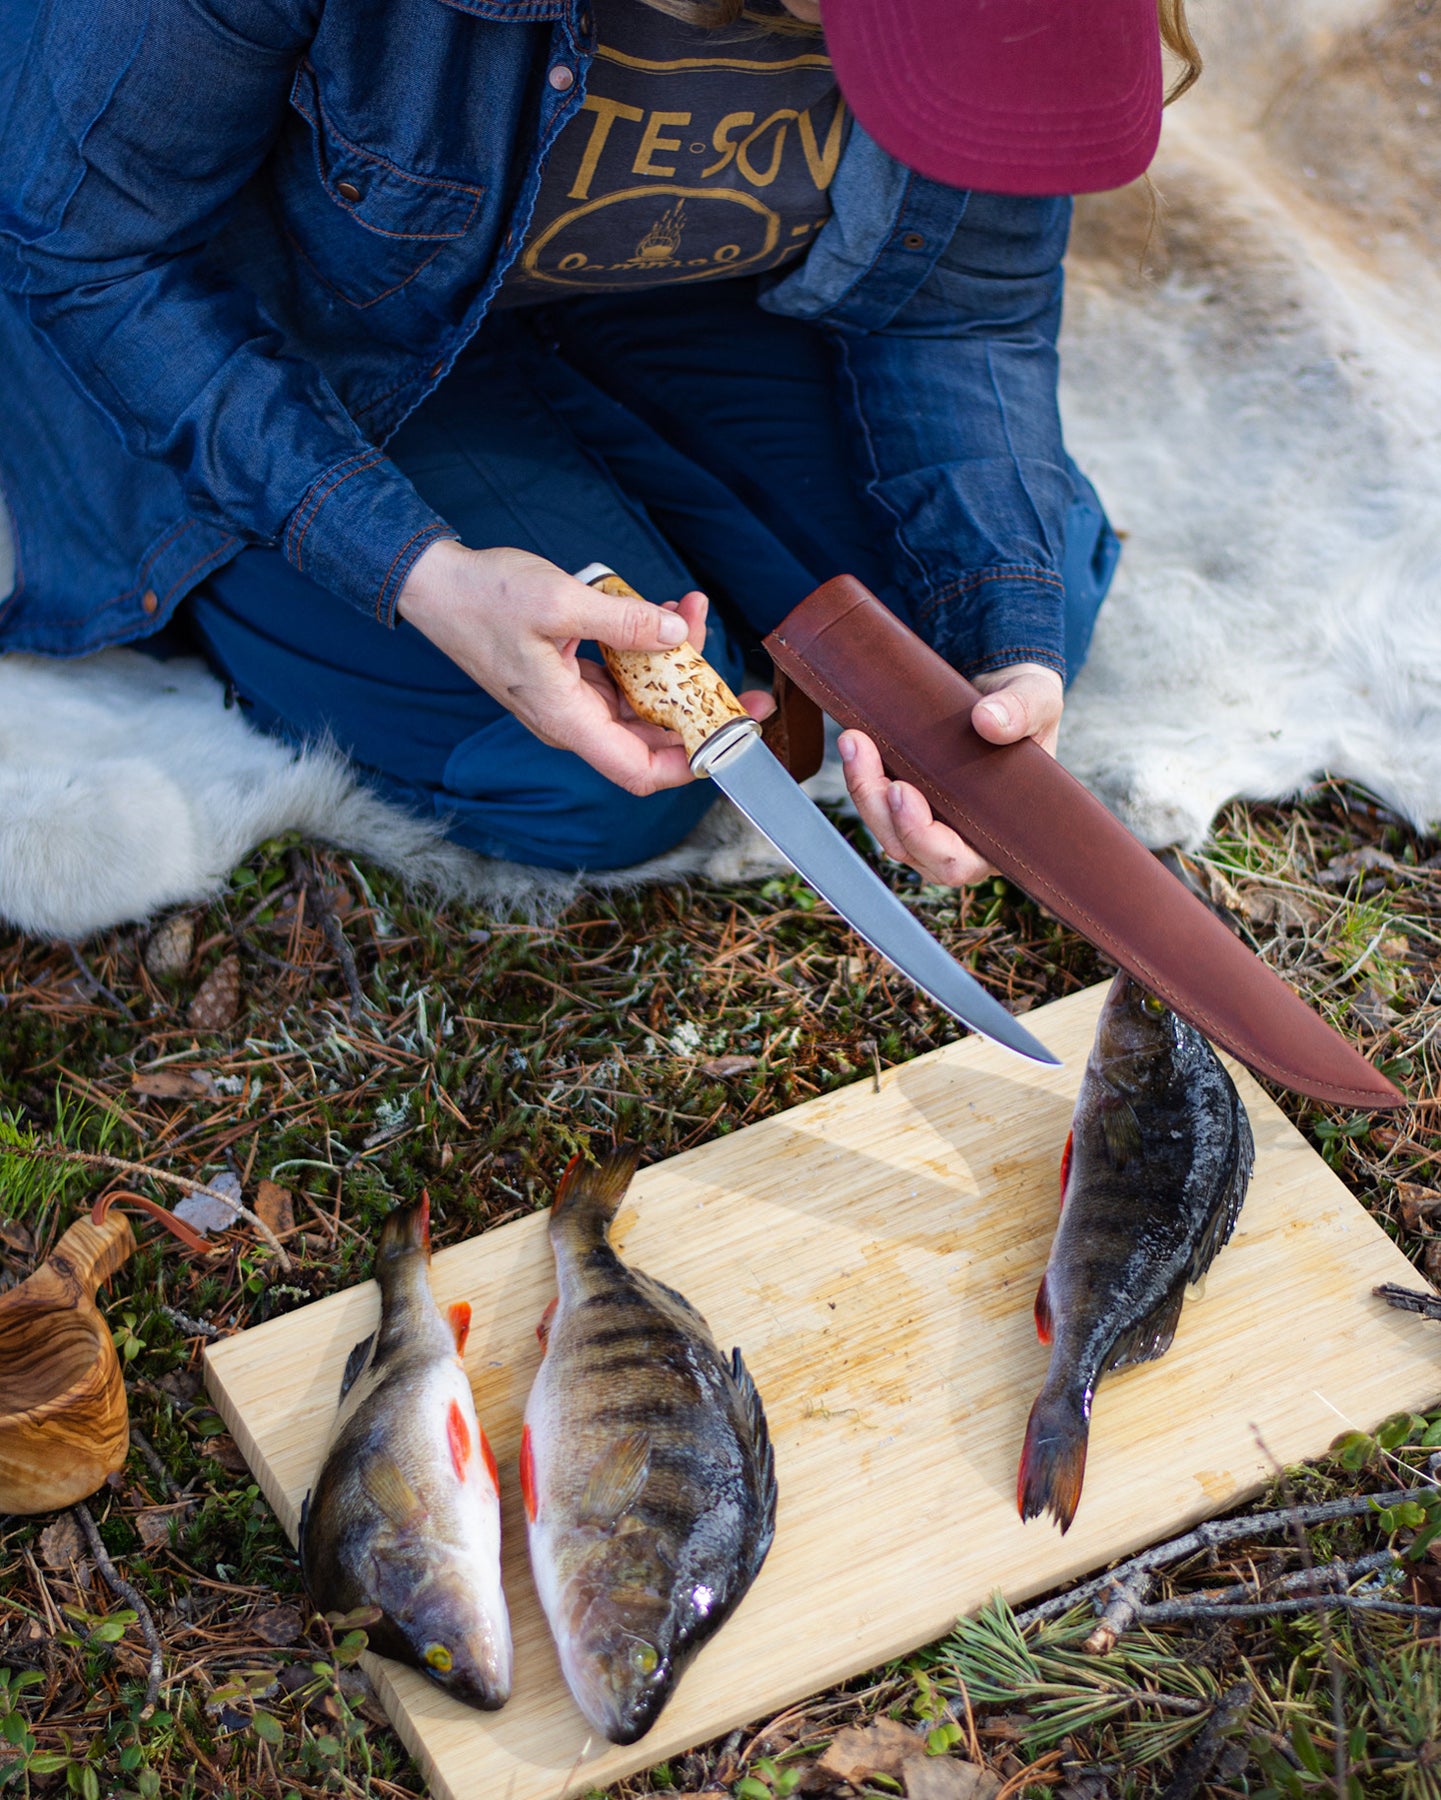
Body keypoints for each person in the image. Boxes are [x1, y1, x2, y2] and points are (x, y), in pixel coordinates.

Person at [0, 0, 1196, 884]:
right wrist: (416, 573)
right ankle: (247, 577)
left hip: (657, 301)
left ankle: (591, 432)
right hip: (273, 327)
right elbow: (88, 246)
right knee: (592, 775)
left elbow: (967, 302)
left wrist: (1007, 643)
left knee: (952, 648)